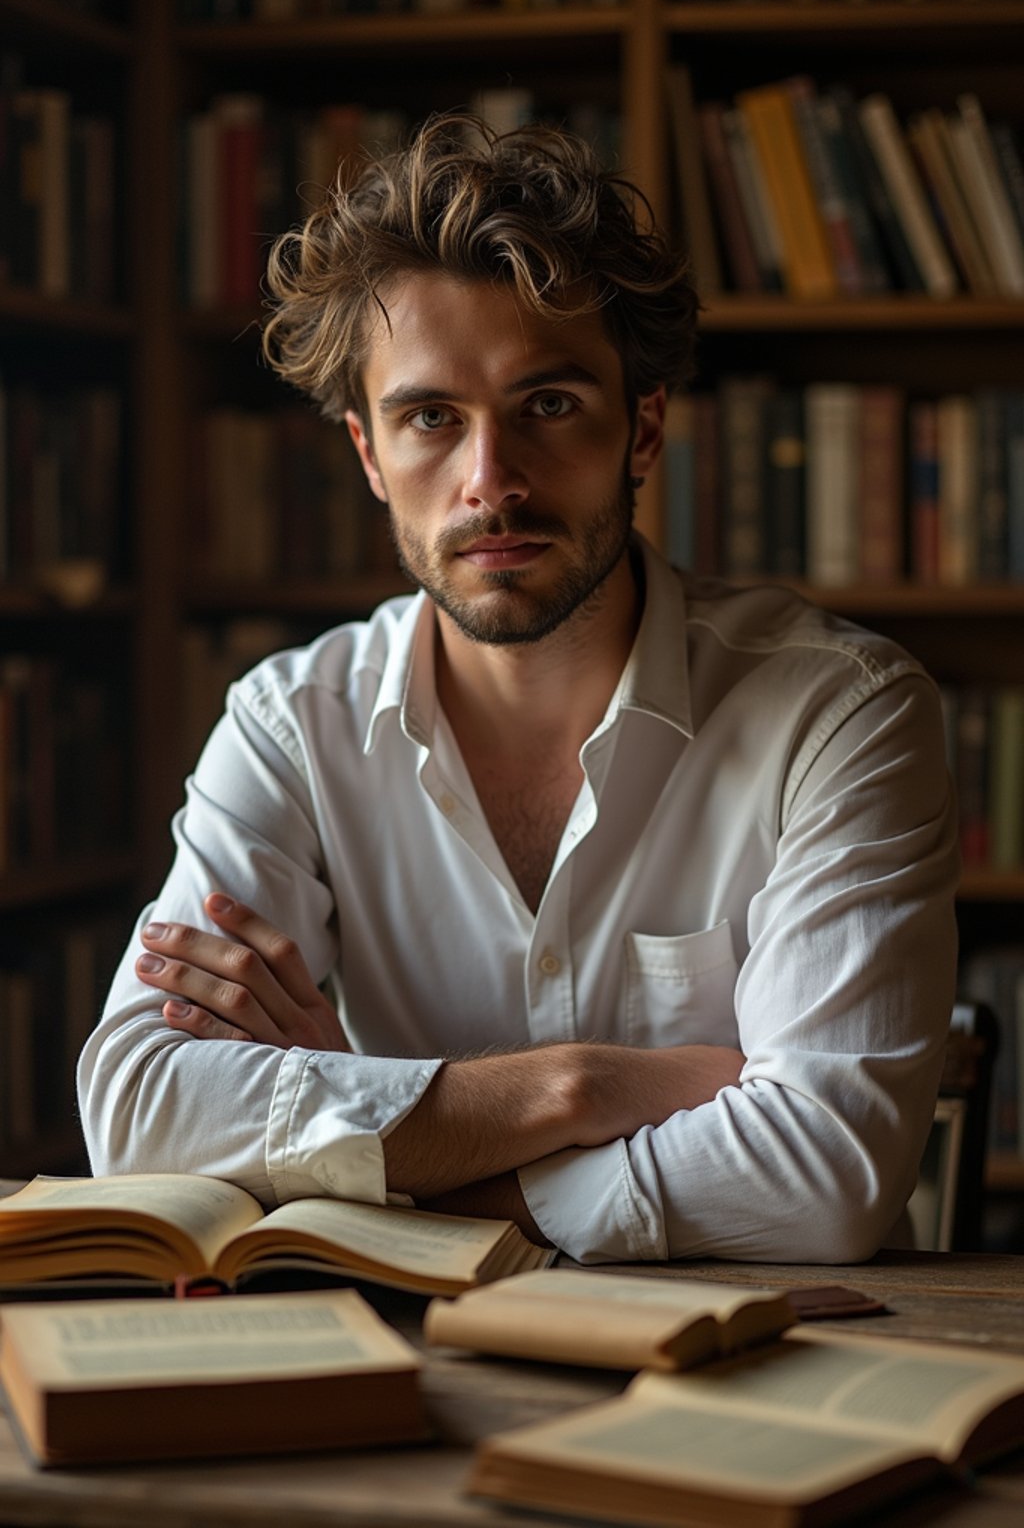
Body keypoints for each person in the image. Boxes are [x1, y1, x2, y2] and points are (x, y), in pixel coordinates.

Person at [79, 117, 959, 1264]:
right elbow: (140, 1112)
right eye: (431, 418)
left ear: (641, 430)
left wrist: (362, 1136)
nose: (490, 482)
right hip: (405, 1375)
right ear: (367, 455)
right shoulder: (293, 724)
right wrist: (580, 1087)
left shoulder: (839, 715)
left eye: (547, 405)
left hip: (771, 1366)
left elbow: (823, 1175)